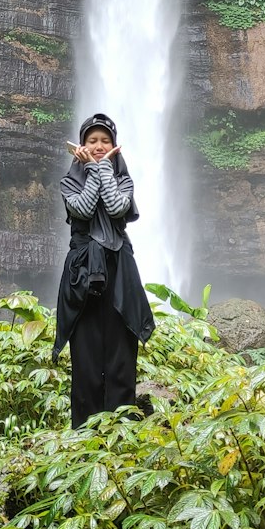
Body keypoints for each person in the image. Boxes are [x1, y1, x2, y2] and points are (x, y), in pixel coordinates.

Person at [54, 112, 154, 427]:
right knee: (85, 355)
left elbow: (116, 207)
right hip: (84, 272)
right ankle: (86, 433)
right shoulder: (69, 180)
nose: (99, 146)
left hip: (119, 270)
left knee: (121, 354)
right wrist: (94, 170)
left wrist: (101, 170)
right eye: (92, 141)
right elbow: (82, 207)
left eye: (105, 141)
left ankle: (121, 431)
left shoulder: (123, 180)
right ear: (81, 145)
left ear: (115, 146)